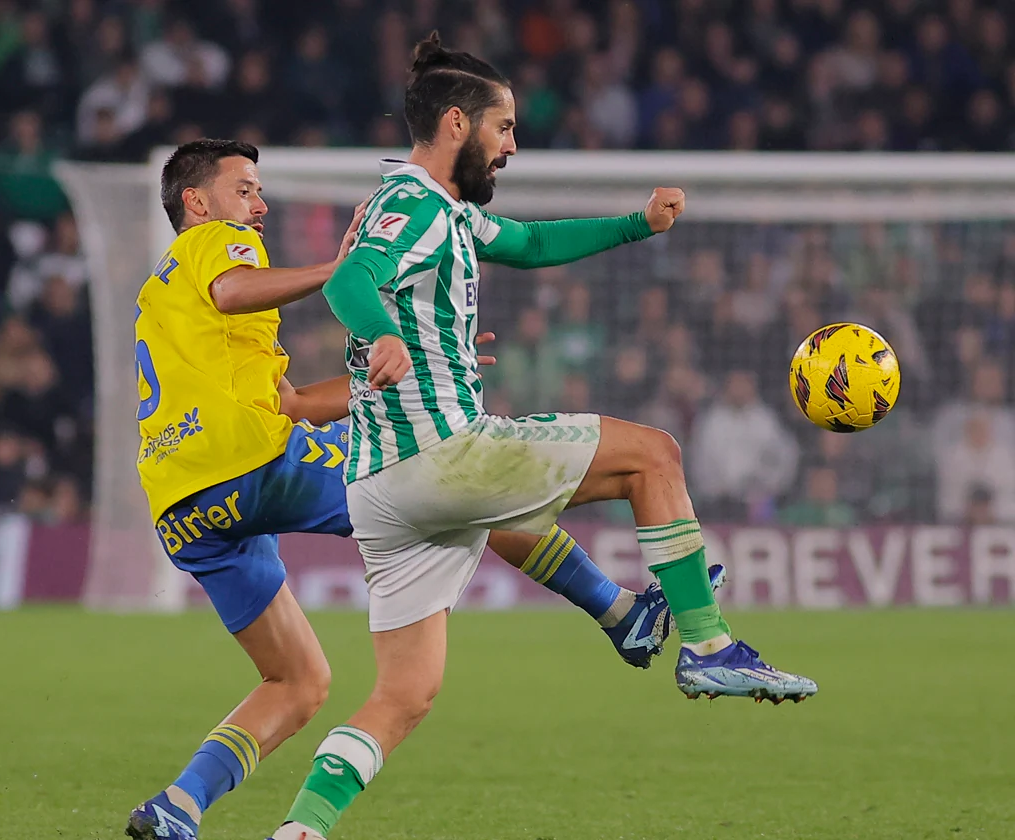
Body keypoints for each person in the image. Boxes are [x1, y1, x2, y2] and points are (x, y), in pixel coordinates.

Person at [266, 34, 817, 840]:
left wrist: (637, 224)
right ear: (457, 124)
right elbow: (352, 278)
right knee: (652, 454)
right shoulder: (415, 205)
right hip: (440, 455)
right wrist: (381, 333)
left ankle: (301, 830)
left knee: (404, 695)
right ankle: (705, 644)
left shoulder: (442, 210)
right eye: (504, 128)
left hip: (383, 492)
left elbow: (524, 243)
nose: (513, 145)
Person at [125, 139, 719, 840]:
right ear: (197, 202)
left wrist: (425, 364)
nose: (259, 206)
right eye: (245, 190)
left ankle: (178, 806)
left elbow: (286, 402)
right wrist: (338, 268)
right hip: (251, 465)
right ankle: (618, 610)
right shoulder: (216, 247)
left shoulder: (164, 297)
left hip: (184, 505)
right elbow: (234, 290)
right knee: (447, 479)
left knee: (299, 683)